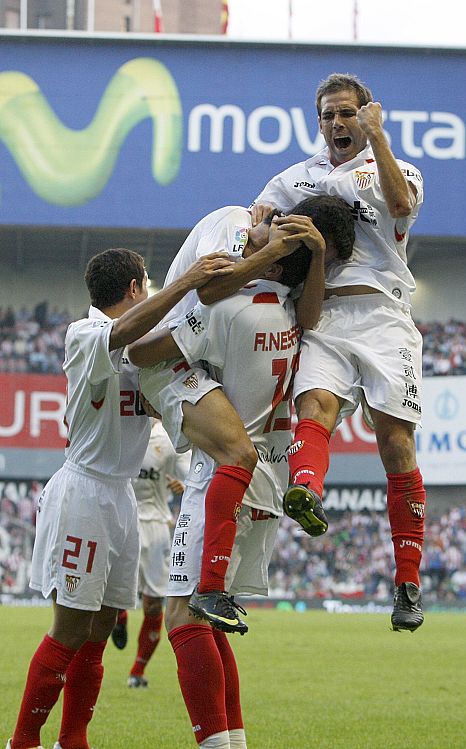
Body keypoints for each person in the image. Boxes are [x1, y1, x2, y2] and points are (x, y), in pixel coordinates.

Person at [128, 204, 345, 749]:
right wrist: (305, 255)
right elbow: (310, 306)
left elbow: (143, 351)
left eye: (273, 230)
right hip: (266, 478)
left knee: (181, 616)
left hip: (222, 476)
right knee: (203, 618)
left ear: (274, 263)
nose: (259, 222)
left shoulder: (232, 307)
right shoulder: (295, 310)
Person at [6, 248, 234, 749]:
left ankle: (74, 739)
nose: (151, 291)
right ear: (135, 288)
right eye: (148, 284)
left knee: (103, 623)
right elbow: (122, 335)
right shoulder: (85, 334)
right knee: (70, 626)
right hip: (84, 491)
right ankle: (22, 741)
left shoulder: (141, 349)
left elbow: (156, 382)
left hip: (122, 497)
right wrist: (189, 281)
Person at [251, 72, 427, 631]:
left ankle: (407, 583)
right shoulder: (297, 177)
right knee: (315, 408)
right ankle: (305, 492)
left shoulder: (396, 167)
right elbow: (256, 217)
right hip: (323, 311)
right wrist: (266, 234)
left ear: (366, 113)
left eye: (346, 113)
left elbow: (400, 204)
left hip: (383, 315)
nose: (336, 123)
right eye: (327, 114)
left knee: (394, 439)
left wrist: (381, 139)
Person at [110, 419, 191, 688]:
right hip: (124, 519)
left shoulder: (168, 438)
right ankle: (119, 617)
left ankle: (137, 672)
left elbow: (191, 474)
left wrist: (183, 483)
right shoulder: (120, 427)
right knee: (113, 593)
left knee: (154, 603)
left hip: (156, 525)